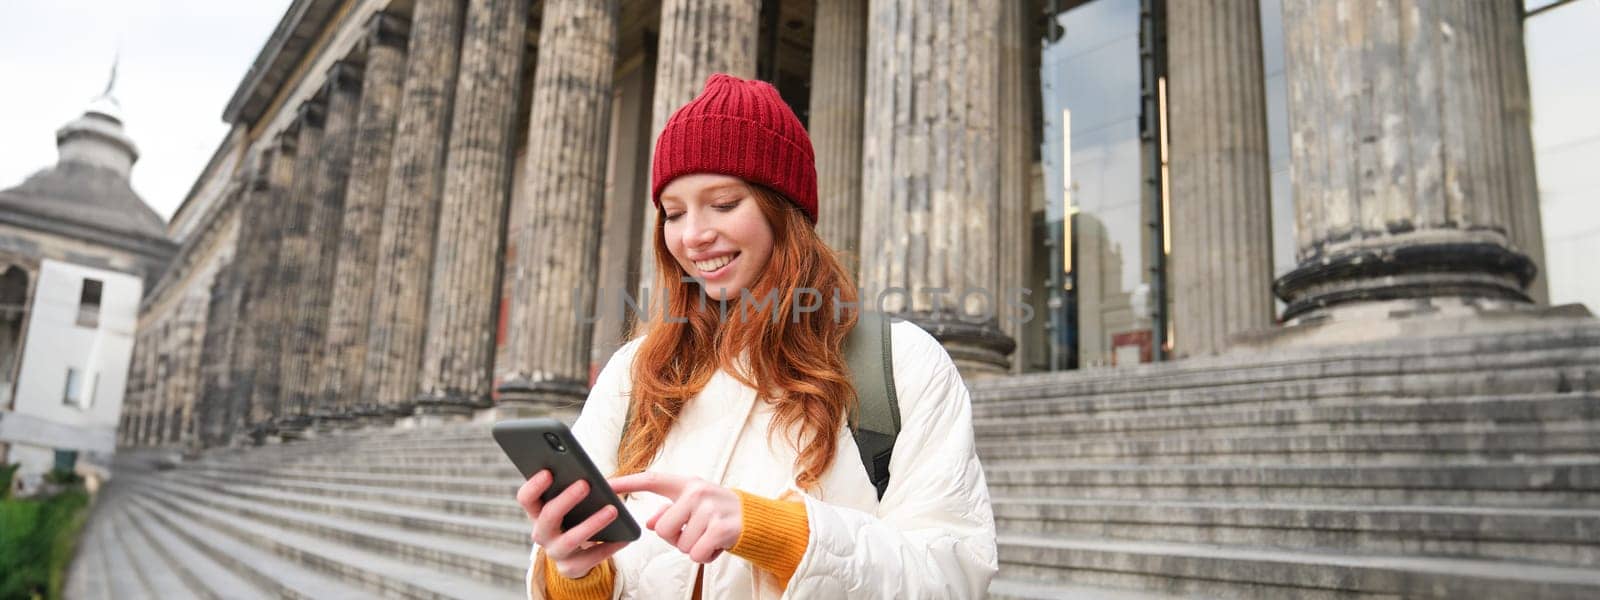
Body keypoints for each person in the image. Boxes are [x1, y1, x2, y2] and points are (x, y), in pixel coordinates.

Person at [516, 73, 997, 599]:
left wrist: (774, 531)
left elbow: (954, 578)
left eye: (723, 204)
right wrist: (575, 571)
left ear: (783, 210)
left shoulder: (903, 363)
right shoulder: (634, 373)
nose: (693, 235)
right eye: (673, 213)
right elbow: (588, 576)